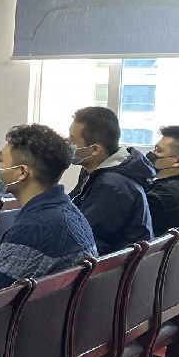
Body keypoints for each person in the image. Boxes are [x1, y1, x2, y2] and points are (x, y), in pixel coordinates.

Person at [0, 124, 97, 299]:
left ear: (22, 172)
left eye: (1, 161)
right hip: (47, 309)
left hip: (5, 314)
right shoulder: (66, 210)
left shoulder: (36, 227)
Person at [68, 106, 153, 254]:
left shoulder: (111, 185)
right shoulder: (94, 171)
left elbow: (85, 239)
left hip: (110, 264)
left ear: (95, 149)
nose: (67, 144)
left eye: (72, 140)